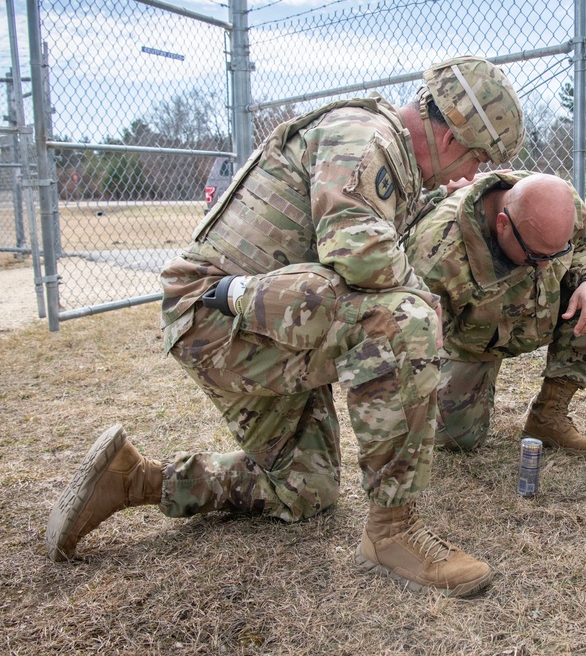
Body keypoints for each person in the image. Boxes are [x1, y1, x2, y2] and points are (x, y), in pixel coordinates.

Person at [46, 56, 525, 598]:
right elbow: (362, 256)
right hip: (218, 318)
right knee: (404, 320)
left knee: (306, 489)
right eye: (478, 157)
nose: (469, 175)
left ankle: (133, 479)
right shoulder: (366, 135)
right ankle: (394, 531)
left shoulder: (395, 159)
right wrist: (417, 297)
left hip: (262, 320)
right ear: (454, 132)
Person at [402, 171, 586, 454]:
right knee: (456, 440)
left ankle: (548, 416)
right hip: (472, 342)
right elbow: (412, 345)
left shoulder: (558, 200)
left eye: (556, 253)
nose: (544, 266)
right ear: (502, 224)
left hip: (541, 310)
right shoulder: (436, 255)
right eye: (536, 255)